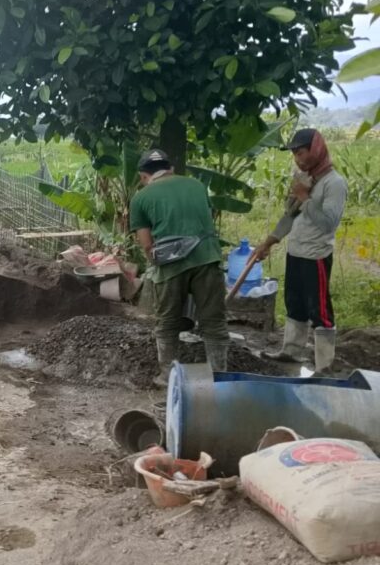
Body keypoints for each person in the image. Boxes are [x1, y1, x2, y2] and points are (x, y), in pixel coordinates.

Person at [129, 149, 229, 386]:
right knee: (214, 322)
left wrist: (156, 266)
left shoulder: (141, 198)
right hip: (207, 257)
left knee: (167, 322)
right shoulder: (196, 186)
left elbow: (147, 244)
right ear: (171, 169)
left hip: (171, 264)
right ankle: (219, 375)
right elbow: (205, 219)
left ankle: (168, 375)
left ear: (143, 176)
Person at [253, 128, 347, 375]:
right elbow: (289, 216)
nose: (297, 158)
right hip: (295, 252)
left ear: (315, 150)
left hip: (316, 256)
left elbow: (328, 223)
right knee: (294, 304)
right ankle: (292, 351)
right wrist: (269, 242)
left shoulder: (334, 183)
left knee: (320, 310)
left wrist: (305, 198)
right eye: (294, 154)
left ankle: (325, 366)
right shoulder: (304, 179)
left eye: (301, 152)